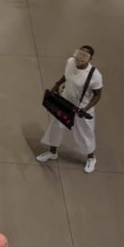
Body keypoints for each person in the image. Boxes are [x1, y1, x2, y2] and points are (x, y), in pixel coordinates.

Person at [37, 45, 103, 174]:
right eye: (78, 56)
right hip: (64, 101)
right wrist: (57, 84)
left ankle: (91, 158)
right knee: (55, 127)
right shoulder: (70, 62)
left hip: (81, 108)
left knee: (84, 134)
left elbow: (97, 95)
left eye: (83, 58)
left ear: (90, 59)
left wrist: (86, 108)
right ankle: (52, 152)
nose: (78, 61)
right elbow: (67, 75)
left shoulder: (95, 75)